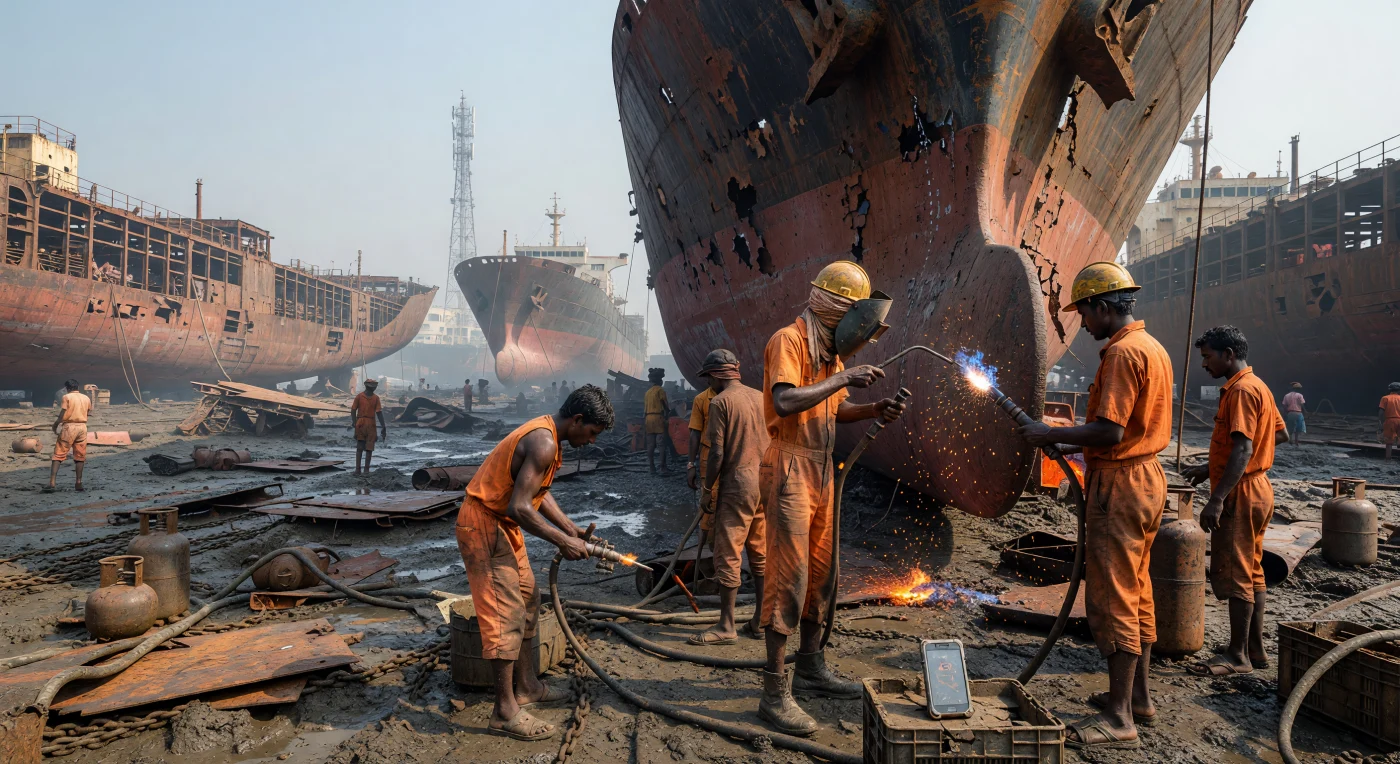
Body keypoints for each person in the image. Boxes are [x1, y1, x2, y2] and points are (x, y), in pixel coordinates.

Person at [1018, 261, 1172, 751]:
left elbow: (1110, 432)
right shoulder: (1153, 348)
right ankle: (1137, 699)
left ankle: (1121, 718)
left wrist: (1051, 433)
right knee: (1138, 589)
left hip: (1121, 484)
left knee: (1113, 598)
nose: (1082, 323)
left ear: (1103, 307)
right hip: (1146, 480)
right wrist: (1067, 446)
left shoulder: (1124, 355)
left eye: (1084, 313)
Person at [757, 261, 905, 736]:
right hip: (789, 466)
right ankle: (773, 693)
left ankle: (811, 666)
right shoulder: (791, 341)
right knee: (790, 577)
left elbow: (832, 408)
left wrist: (874, 409)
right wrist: (843, 379)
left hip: (821, 468)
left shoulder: (827, 351)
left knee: (823, 573)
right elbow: (785, 401)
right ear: (835, 308)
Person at [455, 385, 614, 740]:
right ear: (577, 420)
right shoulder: (543, 442)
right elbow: (520, 507)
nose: (590, 441)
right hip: (484, 524)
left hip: (501, 525)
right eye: (590, 433)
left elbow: (537, 492)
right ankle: (504, 711)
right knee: (504, 614)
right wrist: (563, 542)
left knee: (529, 600)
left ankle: (526, 686)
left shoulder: (549, 437)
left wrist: (570, 527)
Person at [1181, 326, 1287, 676]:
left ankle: (1236, 656)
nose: (1204, 364)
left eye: (1208, 356)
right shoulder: (1259, 386)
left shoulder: (1240, 390)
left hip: (1242, 493)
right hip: (1259, 487)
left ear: (1228, 354)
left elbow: (1243, 448)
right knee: (1253, 571)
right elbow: (1279, 434)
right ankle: (1254, 650)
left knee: (1239, 572)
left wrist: (1217, 497)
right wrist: (1208, 467)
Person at [687, 349, 767, 645]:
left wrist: (708, 490)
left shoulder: (720, 402)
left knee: (728, 552)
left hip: (737, 483)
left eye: (708, 377)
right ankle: (760, 620)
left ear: (715, 375)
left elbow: (718, 452)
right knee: (760, 551)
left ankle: (726, 625)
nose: (708, 382)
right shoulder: (760, 397)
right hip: (764, 481)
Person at [687, 361, 721, 551]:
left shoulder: (736, 398)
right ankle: (705, 554)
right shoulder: (701, 400)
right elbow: (694, 433)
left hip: (732, 461)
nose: (708, 381)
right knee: (708, 510)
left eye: (710, 376)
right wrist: (690, 464)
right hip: (709, 461)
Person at [47, 379, 90, 492]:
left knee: (58, 455)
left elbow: (62, 414)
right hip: (82, 427)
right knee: (80, 457)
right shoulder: (86, 398)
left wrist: (55, 425)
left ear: (67, 388)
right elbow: (88, 412)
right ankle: (78, 483)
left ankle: (52, 483)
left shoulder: (66, 397)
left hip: (69, 427)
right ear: (78, 387)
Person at [349, 379, 387, 475]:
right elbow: (379, 413)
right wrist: (383, 426)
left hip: (360, 422)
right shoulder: (375, 398)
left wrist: (354, 422)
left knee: (360, 447)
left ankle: (358, 470)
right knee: (369, 448)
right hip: (370, 423)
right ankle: (366, 470)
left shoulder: (359, 396)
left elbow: (353, 410)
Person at [644, 368, 670, 474]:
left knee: (650, 445)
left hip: (648, 419)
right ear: (660, 381)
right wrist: (667, 415)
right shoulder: (660, 390)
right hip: (658, 418)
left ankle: (652, 468)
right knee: (661, 444)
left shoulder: (647, 393)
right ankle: (663, 468)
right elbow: (665, 405)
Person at [1380, 383, 1400, 461]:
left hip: (1390, 420)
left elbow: (1381, 411)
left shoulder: (1385, 398)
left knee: (1389, 443)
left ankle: (1388, 459)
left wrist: (1380, 422)